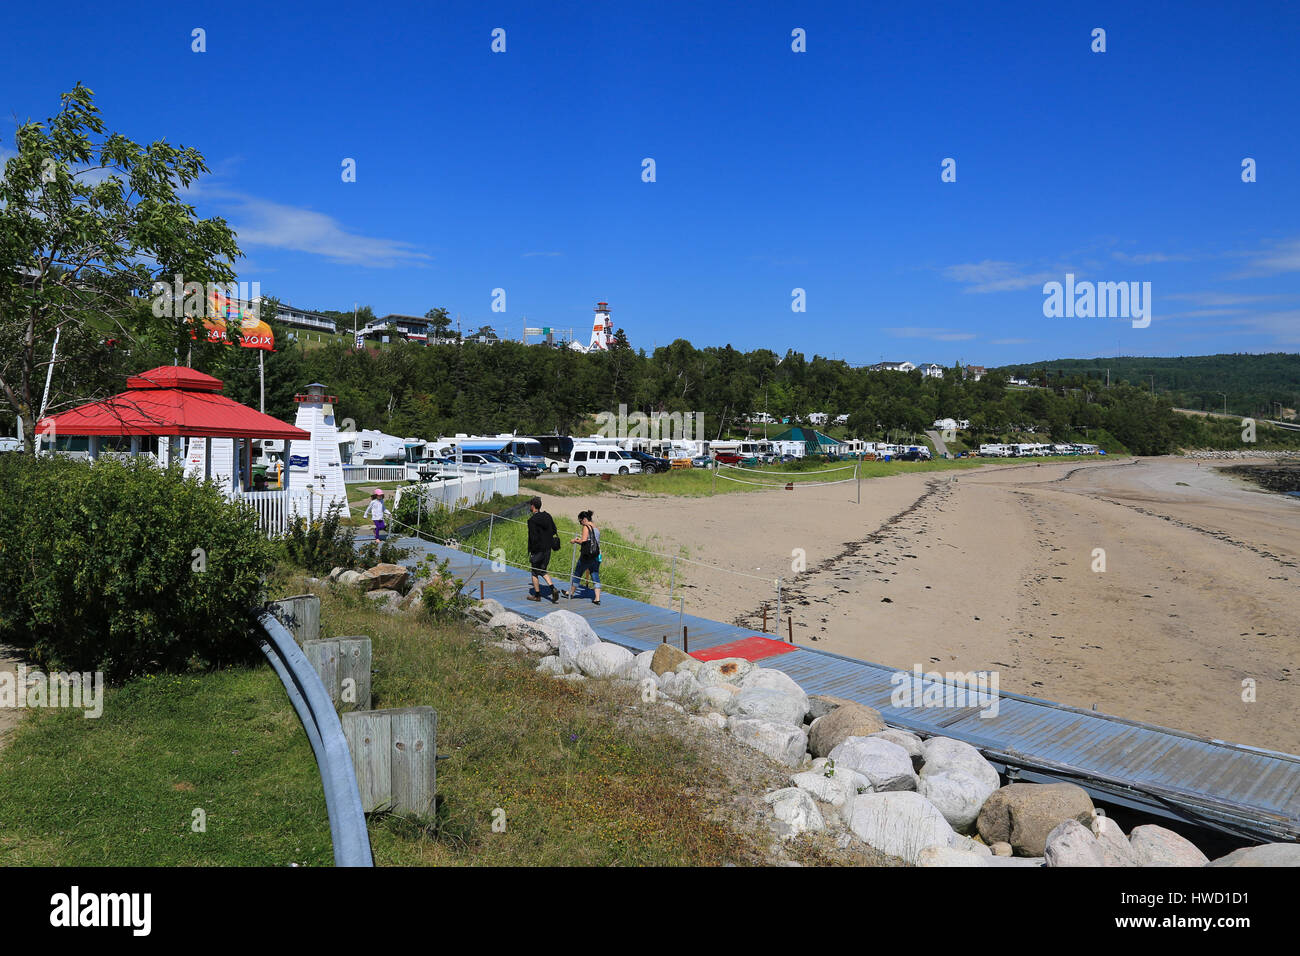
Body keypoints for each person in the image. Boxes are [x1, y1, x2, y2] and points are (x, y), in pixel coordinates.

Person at [562, 510, 602, 605]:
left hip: (587, 555)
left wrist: (575, 540)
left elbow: (584, 541)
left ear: (584, 519)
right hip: (596, 555)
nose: (580, 524)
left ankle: (570, 593)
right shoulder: (596, 527)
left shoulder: (586, 527)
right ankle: (597, 598)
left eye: (580, 521)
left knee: (577, 573)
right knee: (595, 574)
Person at [526, 496, 560, 603]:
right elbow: (554, 530)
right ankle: (552, 588)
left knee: (534, 572)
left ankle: (537, 595)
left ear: (533, 506)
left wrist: (532, 552)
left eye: (530, 505)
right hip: (547, 549)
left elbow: (533, 538)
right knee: (542, 570)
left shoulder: (532, 520)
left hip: (538, 550)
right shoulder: (547, 516)